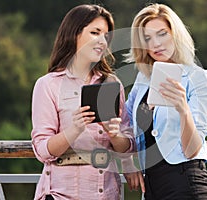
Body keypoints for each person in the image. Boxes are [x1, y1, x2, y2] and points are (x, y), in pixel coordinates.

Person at [31, 4, 134, 200]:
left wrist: (114, 134)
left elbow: (127, 145)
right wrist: (74, 129)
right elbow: (43, 150)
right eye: (95, 32)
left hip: (107, 193)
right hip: (60, 194)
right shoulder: (47, 85)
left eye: (106, 36)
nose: (102, 41)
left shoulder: (112, 84)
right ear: (74, 34)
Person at [123, 3, 207, 200]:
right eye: (147, 38)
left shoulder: (200, 79)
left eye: (162, 34)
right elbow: (123, 124)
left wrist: (183, 109)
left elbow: (192, 149)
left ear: (176, 34)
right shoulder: (142, 81)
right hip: (152, 189)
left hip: (187, 185)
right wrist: (126, 162)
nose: (155, 44)